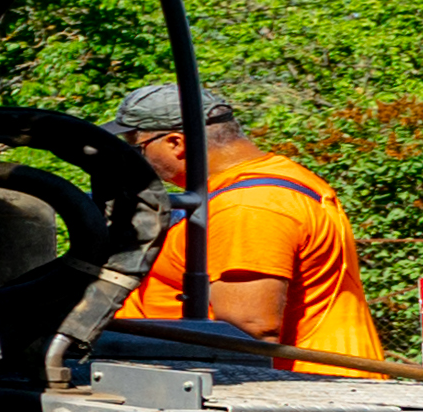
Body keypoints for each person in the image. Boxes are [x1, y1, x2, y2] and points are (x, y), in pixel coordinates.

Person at [109, 81, 384, 365]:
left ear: (176, 143)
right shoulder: (264, 182)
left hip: (298, 390)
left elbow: (248, 332)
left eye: (136, 147)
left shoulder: (247, 206)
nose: (134, 158)